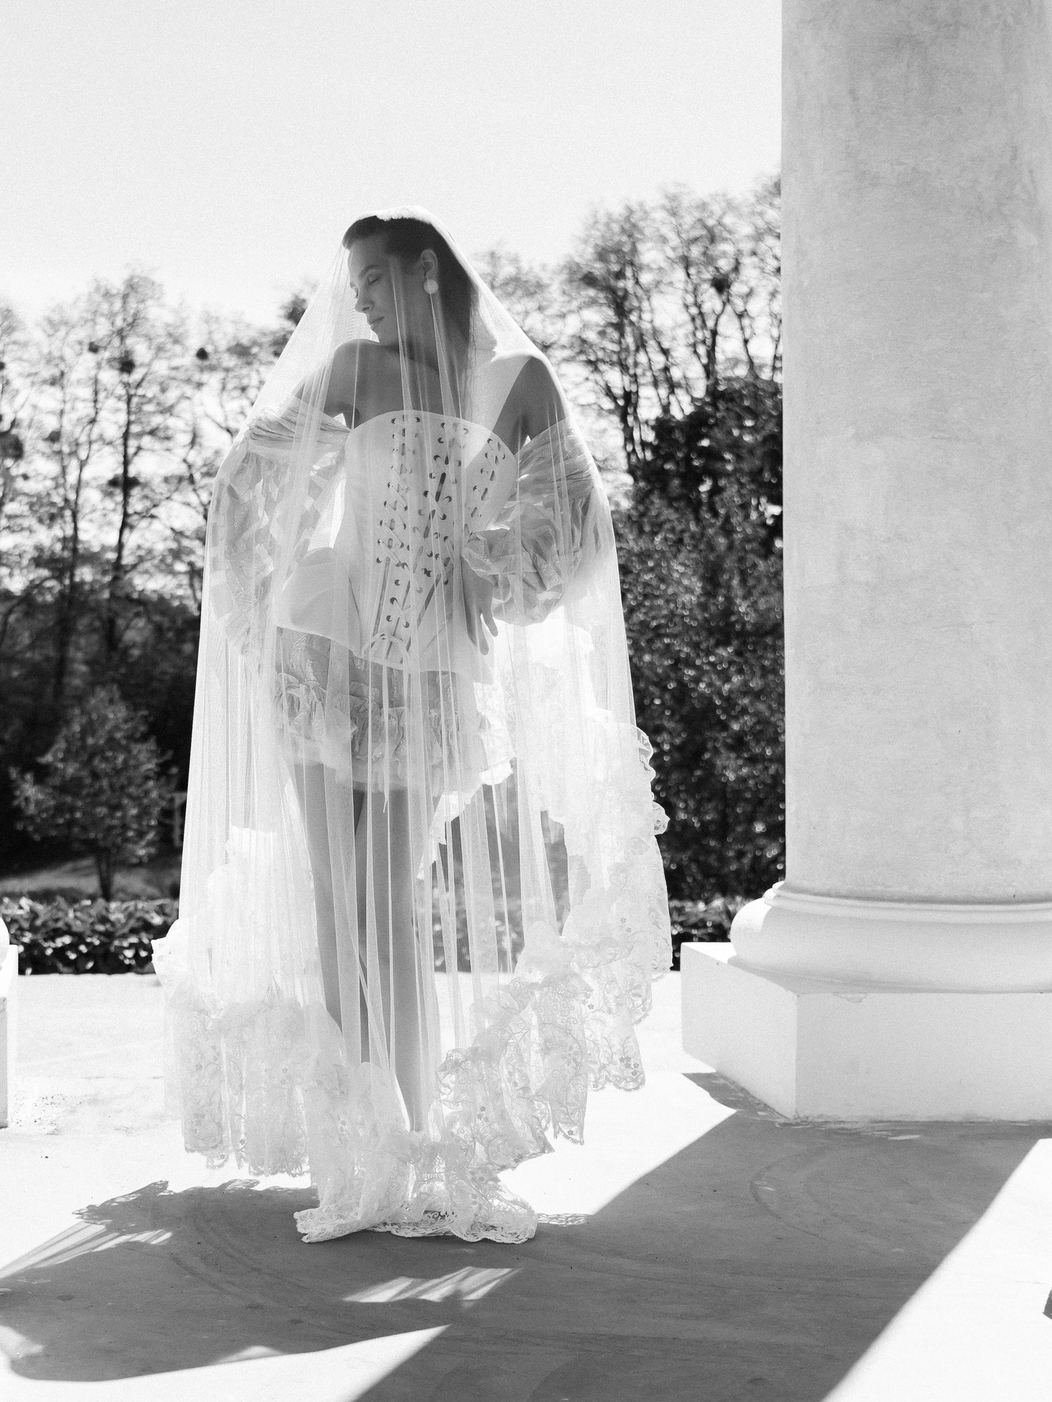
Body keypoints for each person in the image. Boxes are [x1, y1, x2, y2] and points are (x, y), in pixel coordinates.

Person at [155, 208, 671, 1243]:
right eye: (353, 285)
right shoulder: (353, 368)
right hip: (325, 650)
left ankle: (414, 1133)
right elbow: (248, 482)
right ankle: (363, 1151)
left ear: (426, 270)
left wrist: (497, 570)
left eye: (376, 280)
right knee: (335, 898)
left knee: (386, 900)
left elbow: (575, 522)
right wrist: (277, 577)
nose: (362, 301)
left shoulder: (517, 386)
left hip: (432, 675)